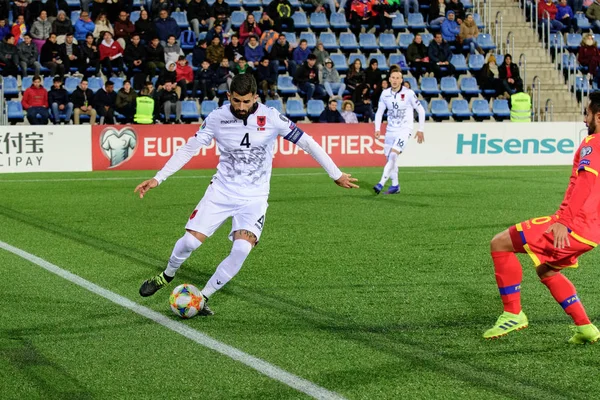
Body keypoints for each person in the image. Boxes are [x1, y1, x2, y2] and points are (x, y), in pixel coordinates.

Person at [136, 73, 359, 314]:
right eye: (236, 101)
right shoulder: (217, 118)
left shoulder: (272, 118)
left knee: (241, 249)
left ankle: (203, 298)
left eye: (246, 102)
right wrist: (158, 178)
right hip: (221, 191)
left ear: (255, 97)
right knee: (190, 241)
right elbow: (189, 148)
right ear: (229, 96)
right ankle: (166, 275)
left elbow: (307, 143)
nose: (241, 107)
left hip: (254, 198)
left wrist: (335, 174)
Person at [483, 92, 600, 344]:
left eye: (587, 114)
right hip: (590, 234)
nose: (584, 119)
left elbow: (586, 182)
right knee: (547, 271)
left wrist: (564, 222)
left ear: (598, 116)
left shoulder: (595, 142)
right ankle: (585, 326)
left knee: (500, 243)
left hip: (573, 226)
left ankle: (513, 313)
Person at [373, 69, 425, 195]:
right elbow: (379, 112)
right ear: (389, 79)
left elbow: (421, 110)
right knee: (390, 158)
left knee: (393, 155)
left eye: (398, 78)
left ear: (401, 80)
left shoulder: (409, 93)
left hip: (405, 129)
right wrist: (377, 128)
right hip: (390, 130)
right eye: (393, 78)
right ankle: (395, 185)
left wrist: (420, 129)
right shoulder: (385, 94)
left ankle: (381, 183)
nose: (395, 80)